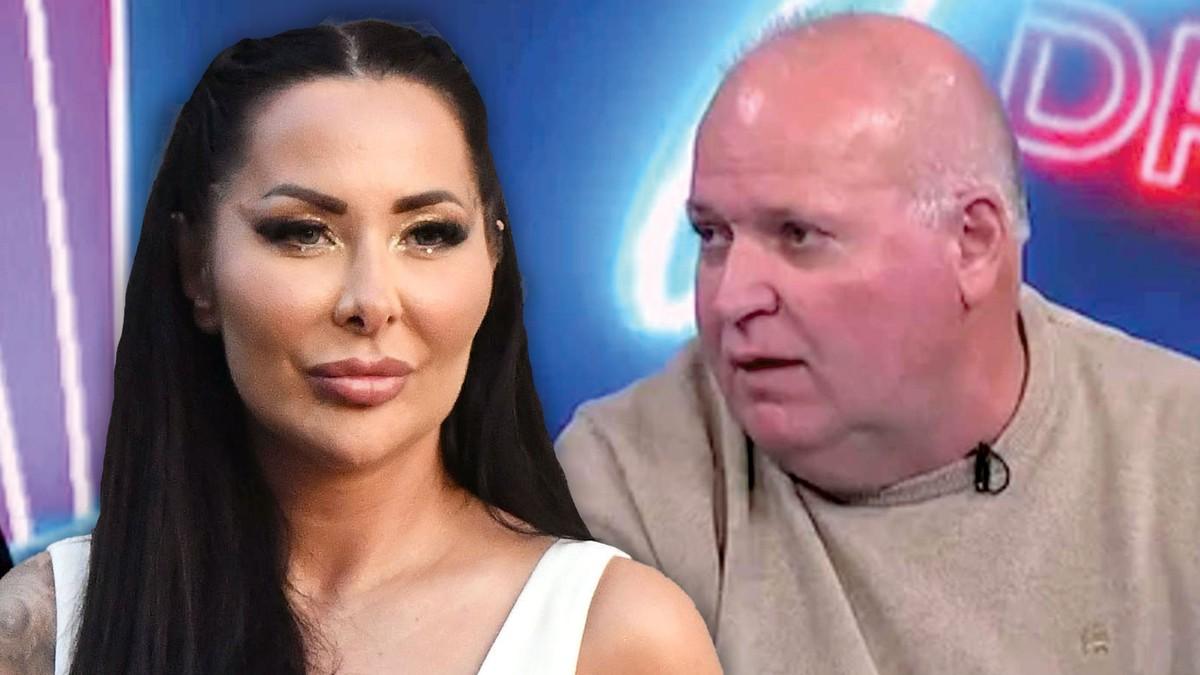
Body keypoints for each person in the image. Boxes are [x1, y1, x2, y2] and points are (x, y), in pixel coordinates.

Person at [0, 20, 720, 675]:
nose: (371, 302)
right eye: (302, 233)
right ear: (197, 267)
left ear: (492, 260)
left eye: (429, 234)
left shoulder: (621, 637)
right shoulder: (47, 627)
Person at [558, 12, 1200, 675]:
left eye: (798, 234)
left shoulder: (1179, 455)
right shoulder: (621, 487)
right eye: (712, 235)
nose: (730, 297)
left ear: (973, 243)